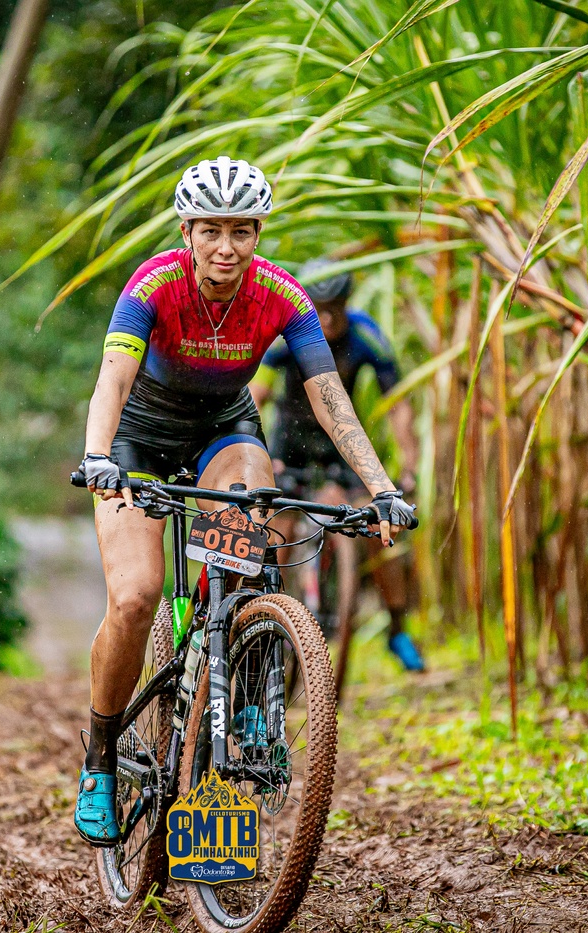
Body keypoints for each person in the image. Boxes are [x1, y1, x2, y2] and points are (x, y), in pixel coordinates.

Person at [72, 157, 415, 846]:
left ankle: (243, 675)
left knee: (250, 532)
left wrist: (382, 487)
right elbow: (114, 378)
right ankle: (101, 758)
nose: (226, 247)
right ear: (187, 232)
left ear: (258, 233)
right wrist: (99, 455)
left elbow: (331, 398)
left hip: (223, 431)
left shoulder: (283, 295)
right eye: (211, 231)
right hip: (138, 439)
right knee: (136, 597)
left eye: (242, 231)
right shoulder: (153, 284)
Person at [251, 260, 426, 672]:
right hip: (289, 445)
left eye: (336, 309)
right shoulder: (287, 331)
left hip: (340, 445)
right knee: (274, 534)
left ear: (349, 303)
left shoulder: (366, 334)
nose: (327, 319)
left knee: (379, 529)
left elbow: (398, 405)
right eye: (320, 309)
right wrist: (259, 453)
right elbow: (257, 394)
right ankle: (264, 630)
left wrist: (410, 465)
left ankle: (397, 629)